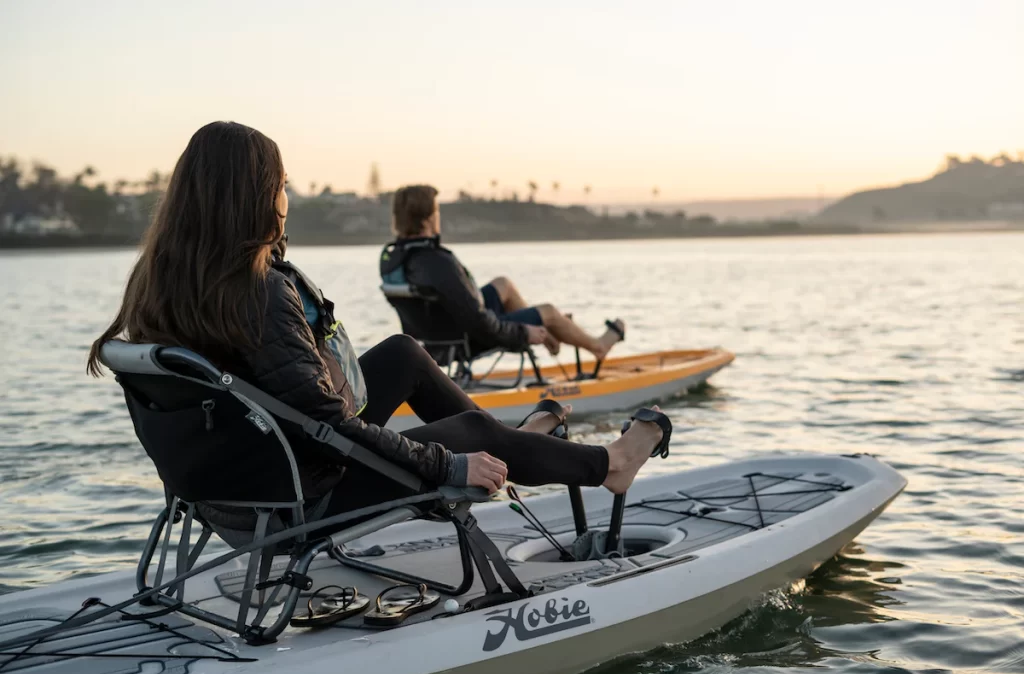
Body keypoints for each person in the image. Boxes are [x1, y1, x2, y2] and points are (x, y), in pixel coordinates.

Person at [86, 121, 665, 528]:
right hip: (299, 494)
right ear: (253, 197)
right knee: (472, 437)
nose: (284, 197)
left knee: (404, 354)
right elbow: (330, 430)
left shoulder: (160, 278)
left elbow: (298, 405)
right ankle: (607, 467)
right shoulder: (255, 290)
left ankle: (515, 447)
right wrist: (452, 462)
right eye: (279, 185)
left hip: (234, 481)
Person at [380, 184, 626, 359]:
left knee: (503, 285)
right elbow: (478, 322)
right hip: (466, 339)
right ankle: (597, 346)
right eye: (437, 212)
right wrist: (522, 333)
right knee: (549, 311)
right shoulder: (437, 261)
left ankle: (550, 333)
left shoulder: (394, 257)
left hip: (436, 334)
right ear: (426, 220)